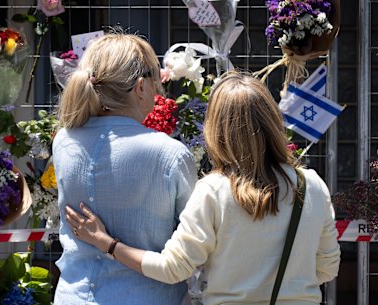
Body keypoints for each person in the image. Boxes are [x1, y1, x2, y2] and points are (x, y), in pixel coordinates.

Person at [66, 72, 341, 305]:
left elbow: (171, 268)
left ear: (217, 129)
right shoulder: (312, 185)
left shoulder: (213, 191)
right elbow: (327, 269)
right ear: (272, 122)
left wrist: (106, 242)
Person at [52, 31, 198, 305]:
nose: (158, 89)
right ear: (140, 87)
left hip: (73, 295)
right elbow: (194, 238)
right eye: (155, 80)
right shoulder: (169, 154)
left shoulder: (63, 141)